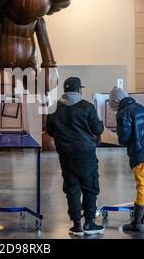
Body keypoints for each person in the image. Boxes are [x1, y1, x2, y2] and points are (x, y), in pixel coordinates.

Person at [46, 77, 105, 236]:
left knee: (72, 188)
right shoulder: (87, 107)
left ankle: (77, 225)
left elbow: (50, 131)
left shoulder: (54, 108)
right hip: (85, 153)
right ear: (79, 90)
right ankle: (90, 223)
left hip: (65, 154)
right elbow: (98, 128)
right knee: (90, 187)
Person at [109, 87, 144, 232]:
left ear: (116, 101)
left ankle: (137, 223)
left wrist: (116, 134)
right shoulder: (139, 106)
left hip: (142, 153)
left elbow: (124, 139)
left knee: (143, 185)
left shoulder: (123, 113)